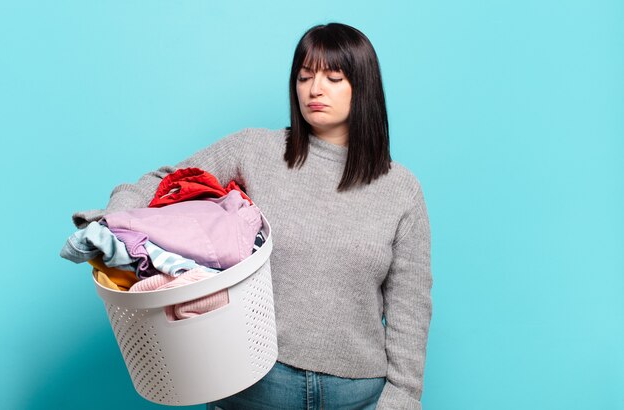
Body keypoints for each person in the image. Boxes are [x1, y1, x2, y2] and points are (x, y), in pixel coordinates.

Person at [73, 23, 432, 409]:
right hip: (257, 382)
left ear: (363, 86)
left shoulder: (401, 190)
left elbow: (410, 307)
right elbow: (167, 183)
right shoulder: (256, 150)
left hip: (356, 392)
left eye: (333, 77)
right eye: (305, 76)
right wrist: (109, 221)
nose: (315, 89)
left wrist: (403, 397)